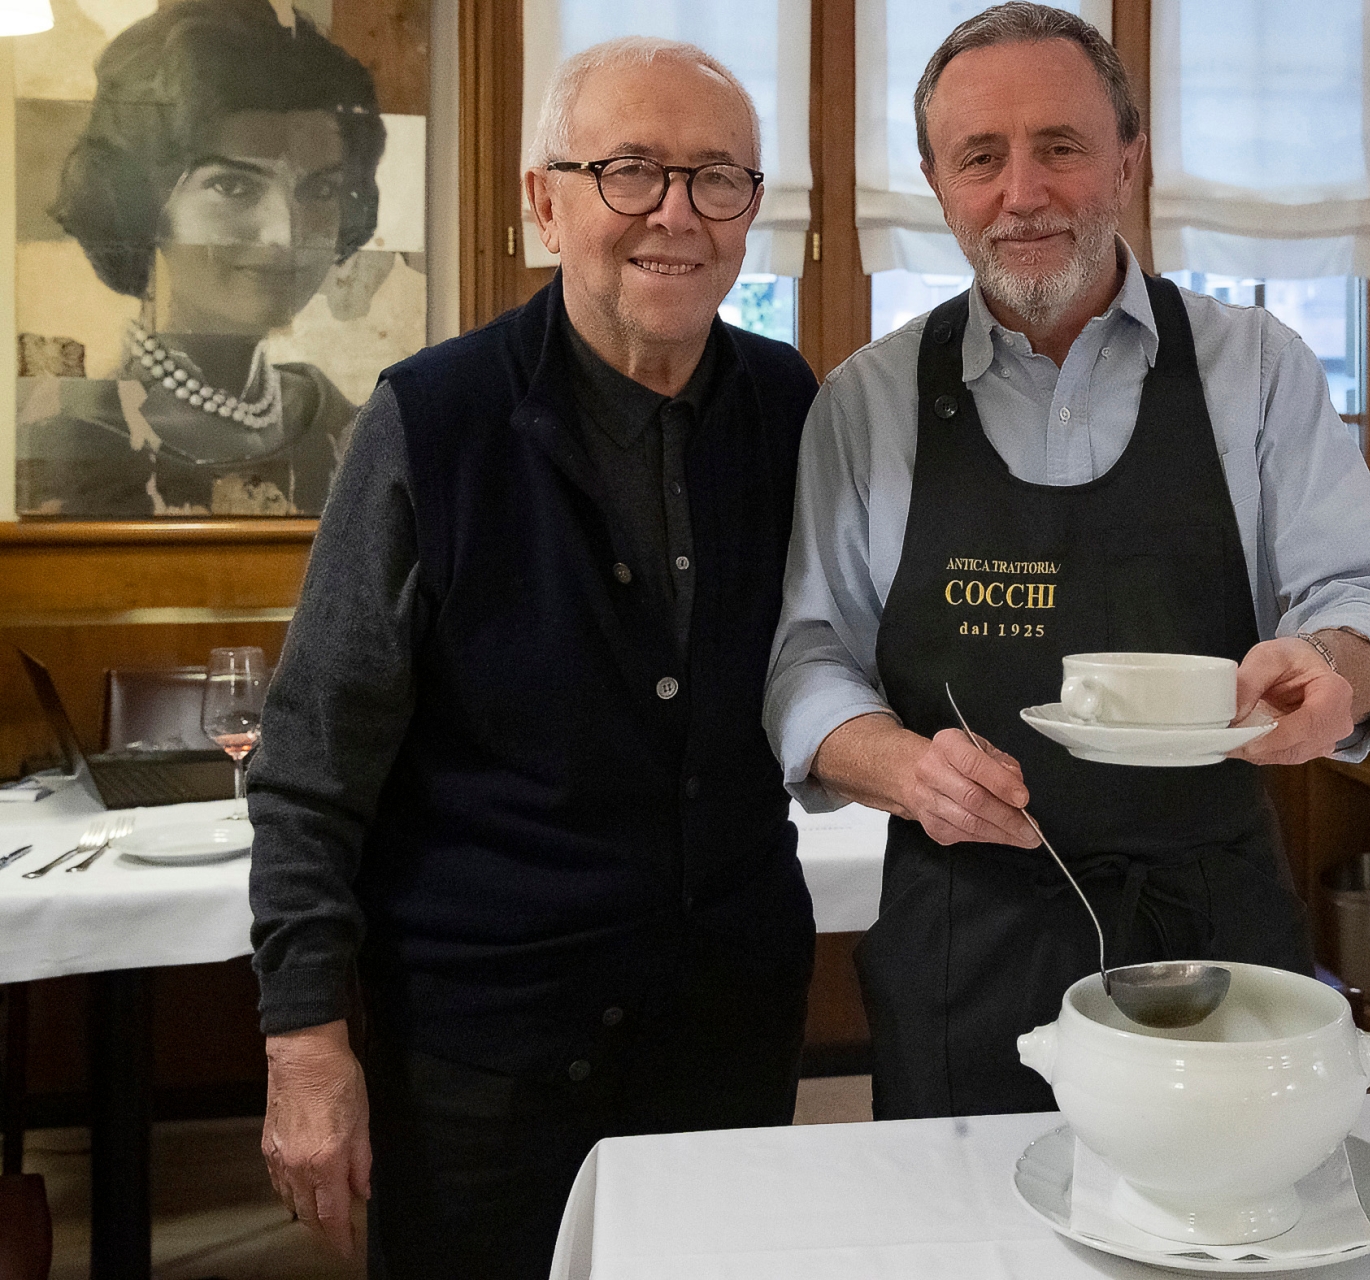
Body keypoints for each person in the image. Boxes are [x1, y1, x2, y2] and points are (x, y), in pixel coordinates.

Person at [765, 2, 1370, 1121]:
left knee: (1235, 1196)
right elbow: (809, 656)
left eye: (1061, 146)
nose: (1023, 192)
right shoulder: (866, 403)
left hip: (1214, 930)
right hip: (967, 937)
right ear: (937, 185)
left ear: (1129, 159)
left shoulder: (1256, 368)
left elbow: (1364, 595)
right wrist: (903, 768)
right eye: (981, 157)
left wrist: (1333, 667)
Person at [247, 38, 819, 1278]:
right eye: (630, 170)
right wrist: (305, 1037)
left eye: (717, 176)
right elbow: (310, 759)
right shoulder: (432, 420)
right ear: (544, 202)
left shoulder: (791, 407)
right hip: (483, 1057)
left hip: (726, 1028)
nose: (677, 213)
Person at [17, 0, 386, 517]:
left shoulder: (350, 428)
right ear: (144, 205)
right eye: (233, 187)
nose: (284, 235)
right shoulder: (69, 438)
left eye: (320, 190)